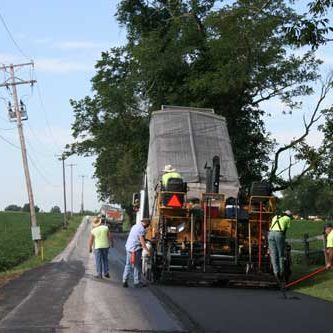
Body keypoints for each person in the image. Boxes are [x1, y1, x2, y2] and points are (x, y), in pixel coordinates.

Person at [122, 218, 151, 288]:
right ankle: (137, 282)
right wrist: (147, 250)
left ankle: (124, 281)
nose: (147, 227)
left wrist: (146, 239)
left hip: (129, 247)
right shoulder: (142, 229)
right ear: (146, 224)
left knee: (128, 265)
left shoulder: (135, 226)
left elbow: (136, 237)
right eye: (147, 225)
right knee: (137, 266)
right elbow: (142, 241)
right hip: (135, 249)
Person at [268, 210, 292, 281]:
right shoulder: (287, 218)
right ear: (288, 215)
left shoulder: (275, 217)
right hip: (279, 234)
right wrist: (283, 239)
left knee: (273, 254)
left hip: (270, 234)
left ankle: (276, 272)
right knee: (280, 254)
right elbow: (285, 230)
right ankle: (282, 272)